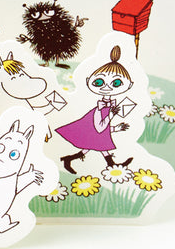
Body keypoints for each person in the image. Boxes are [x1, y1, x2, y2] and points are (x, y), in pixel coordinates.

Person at [56, 45, 133, 174]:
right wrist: (112, 116)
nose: (107, 87)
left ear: (129, 85)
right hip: (95, 131)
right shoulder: (99, 110)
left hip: (97, 133)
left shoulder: (108, 107)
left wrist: (116, 128)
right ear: (88, 81)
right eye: (99, 82)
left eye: (116, 83)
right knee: (99, 147)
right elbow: (100, 128)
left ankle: (69, 159)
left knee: (94, 147)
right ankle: (112, 165)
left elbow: (103, 129)